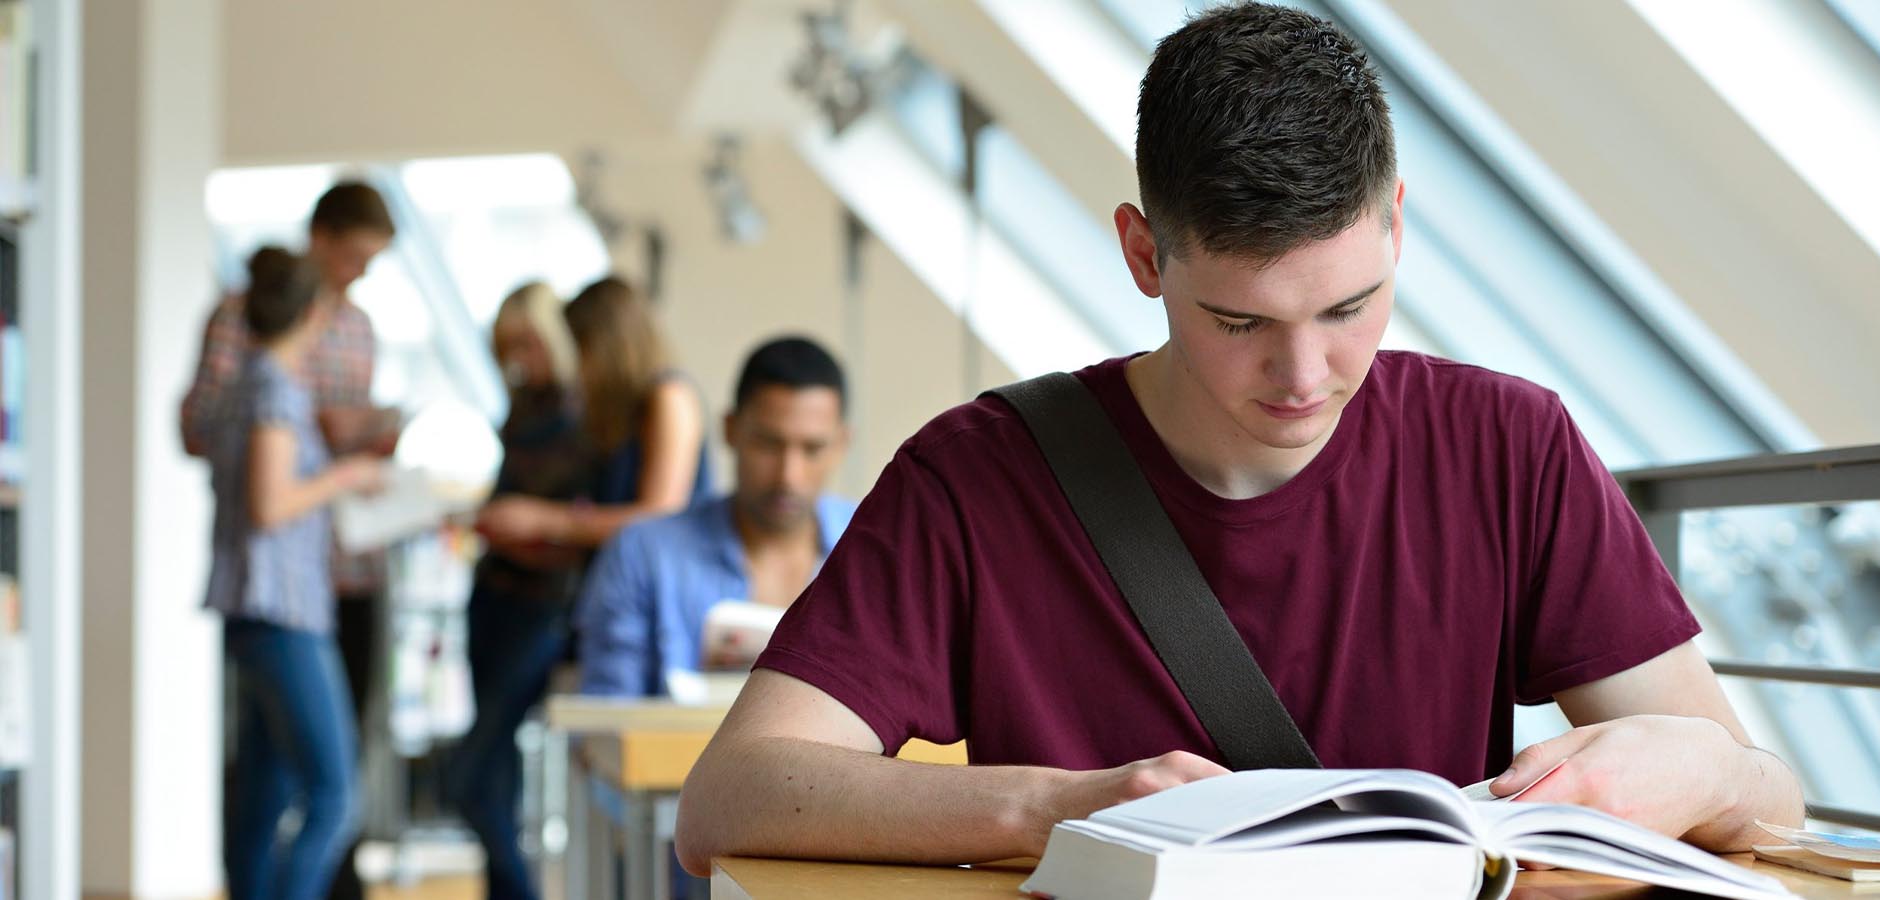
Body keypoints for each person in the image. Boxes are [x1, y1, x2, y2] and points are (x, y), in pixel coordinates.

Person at [673, 3, 1804, 876]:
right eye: (1240, 322)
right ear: (1143, 256)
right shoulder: (976, 476)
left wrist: (1701, 767)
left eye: (1350, 308)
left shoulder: (1510, 446)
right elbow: (727, 800)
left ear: (1397, 224)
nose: (1305, 378)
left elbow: (1775, 801)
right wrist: (1058, 809)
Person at [181, 179, 399, 900]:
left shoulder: (254, 384)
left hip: (265, 606)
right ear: (308, 310)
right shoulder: (275, 389)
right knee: (336, 793)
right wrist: (348, 474)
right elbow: (272, 504)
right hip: (285, 609)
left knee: (266, 790)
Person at [573, 335, 857, 699]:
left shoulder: (879, 552)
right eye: (768, 444)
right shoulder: (642, 555)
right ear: (730, 429)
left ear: (842, 444)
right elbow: (604, 728)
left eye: (812, 449)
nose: (789, 475)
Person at [442, 283, 599, 900]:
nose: (519, 359)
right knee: (493, 767)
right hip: (493, 600)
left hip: (541, 607)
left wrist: (527, 527)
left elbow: (580, 527)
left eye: (529, 344)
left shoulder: (579, 415)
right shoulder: (522, 410)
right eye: (509, 348)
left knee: (472, 772)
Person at [474, 276, 716, 552]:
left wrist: (544, 520)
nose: (579, 365)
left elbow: (657, 517)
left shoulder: (670, 396)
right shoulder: (622, 411)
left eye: (583, 348)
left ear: (609, 345)